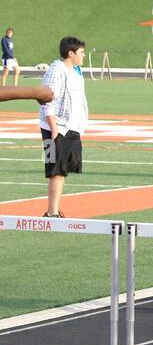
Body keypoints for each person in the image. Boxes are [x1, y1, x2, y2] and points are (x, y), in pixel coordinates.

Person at [39, 37, 89, 218]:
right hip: (54, 127)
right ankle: (51, 212)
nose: (83, 56)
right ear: (71, 53)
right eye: (81, 52)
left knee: (66, 168)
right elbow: (46, 101)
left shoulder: (76, 71)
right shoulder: (56, 71)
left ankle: (54, 209)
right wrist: (53, 128)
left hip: (72, 127)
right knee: (55, 169)